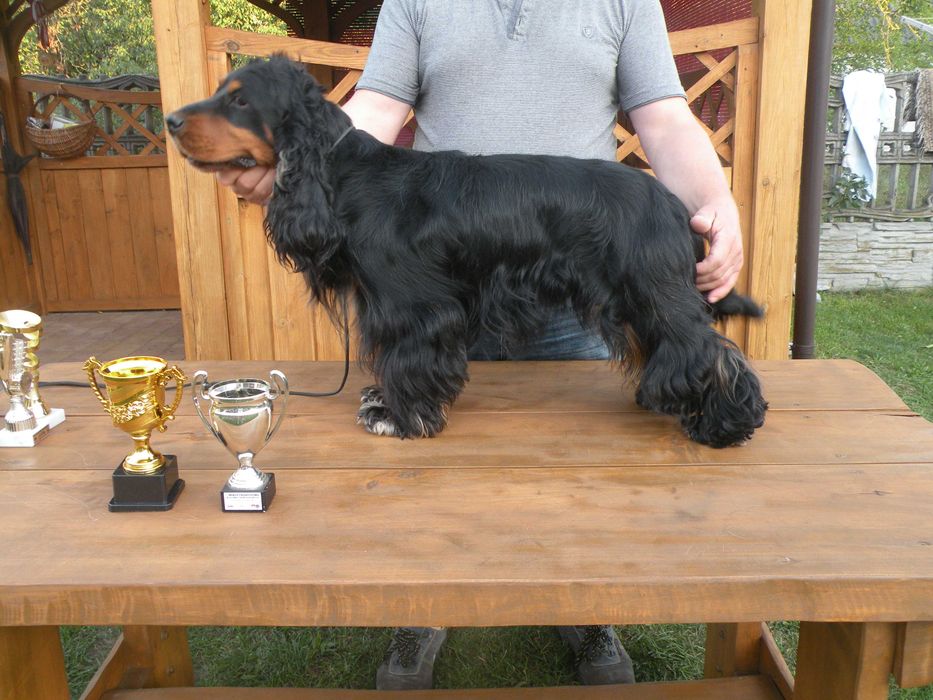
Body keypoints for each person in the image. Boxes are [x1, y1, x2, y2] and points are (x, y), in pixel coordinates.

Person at [216, 0, 744, 690]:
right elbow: (375, 109)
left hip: (576, 256)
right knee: (427, 470)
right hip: (443, 267)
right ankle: (420, 604)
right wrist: (300, 166)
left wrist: (718, 205)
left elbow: (666, 118)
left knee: (579, 471)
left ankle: (587, 607)